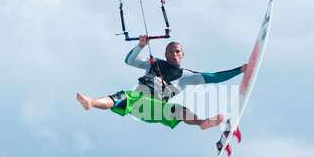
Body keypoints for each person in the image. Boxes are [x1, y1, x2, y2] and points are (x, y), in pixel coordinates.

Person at [77, 35, 247, 130]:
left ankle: (203, 122)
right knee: (120, 97)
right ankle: (90, 102)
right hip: (137, 100)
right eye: (171, 51)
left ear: (182, 55)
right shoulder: (154, 62)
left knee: (178, 109)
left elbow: (214, 77)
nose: (174, 54)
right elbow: (130, 61)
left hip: (157, 108)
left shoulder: (186, 76)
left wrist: (239, 70)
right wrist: (141, 45)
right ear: (165, 54)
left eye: (177, 51)